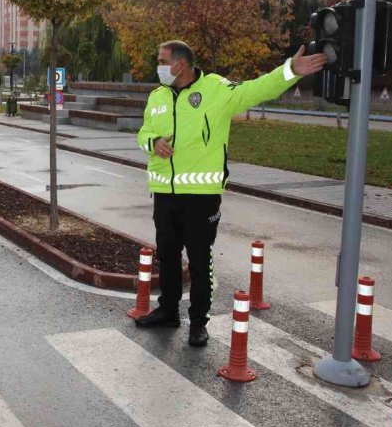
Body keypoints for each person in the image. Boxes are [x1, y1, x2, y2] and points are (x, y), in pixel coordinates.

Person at [135, 40, 327, 347]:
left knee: (200, 260)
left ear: (179, 64)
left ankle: (199, 322)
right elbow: (143, 132)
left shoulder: (216, 90)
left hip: (201, 195)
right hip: (164, 193)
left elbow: (257, 89)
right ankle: (168, 310)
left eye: (161, 60)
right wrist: (153, 140)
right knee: (168, 255)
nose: (156, 66)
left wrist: (290, 70)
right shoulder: (157, 96)